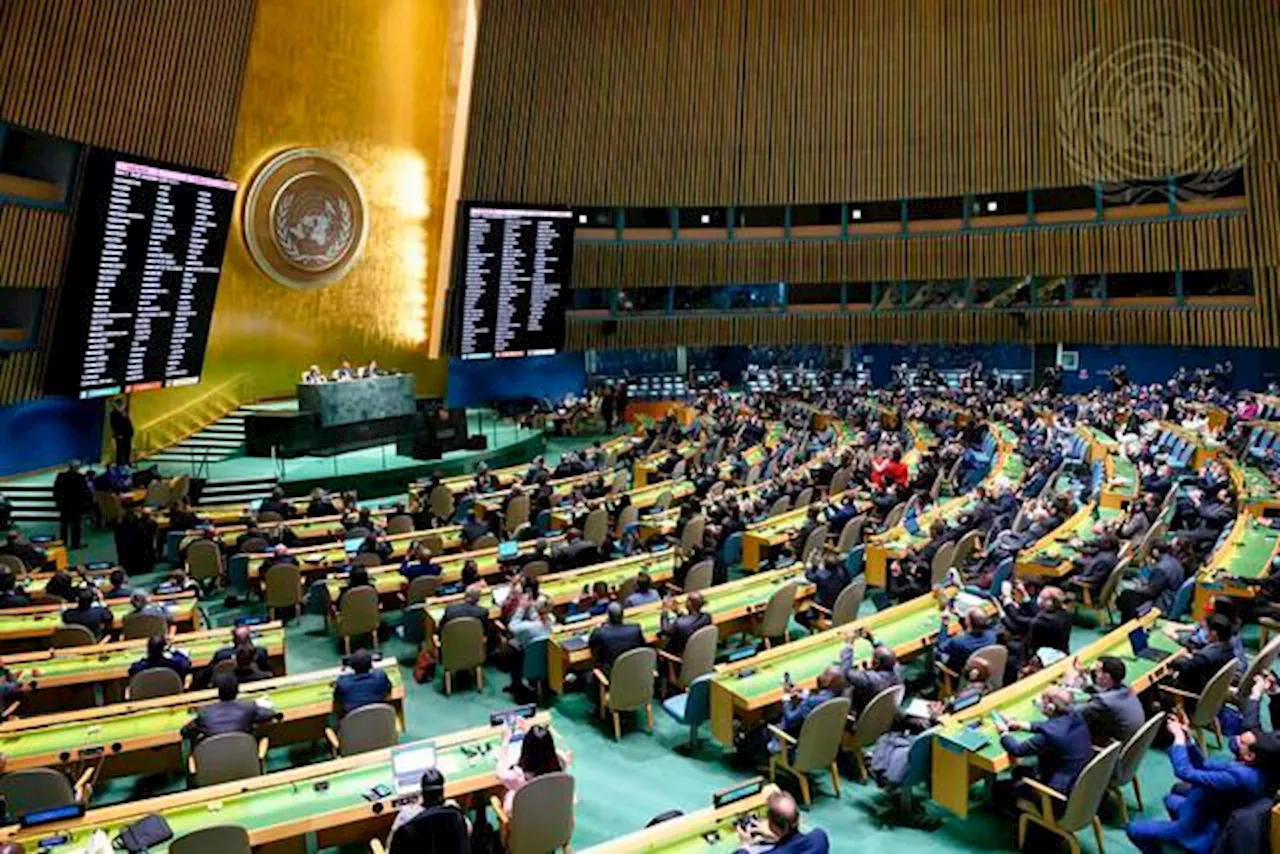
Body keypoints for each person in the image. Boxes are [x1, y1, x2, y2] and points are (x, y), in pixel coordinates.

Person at [1126, 713, 1280, 854]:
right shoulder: (1256, 768)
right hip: (1207, 809)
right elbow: (1205, 765)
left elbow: (1184, 772)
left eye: (1241, 741)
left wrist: (1178, 739)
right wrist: (1188, 740)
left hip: (1201, 822)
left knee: (1133, 829)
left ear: (1249, 755)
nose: (1236, 738)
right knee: (1169, 799)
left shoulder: (1240, 776)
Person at [995, 687, 1093, 796]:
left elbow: (1017, 750)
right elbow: (1051, 726)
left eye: (1043, 700)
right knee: (1019, 771)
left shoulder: (1050, 735)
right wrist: (1023, 725)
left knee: (999, 788)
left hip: (1056, 794)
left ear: (1051, 707)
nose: (1039, 702)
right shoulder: (1076, 716)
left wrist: (1003, 733)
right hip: (1079, 781)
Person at [494, 720, 572, 814]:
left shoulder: (518, 777)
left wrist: (505, 740)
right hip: (553, 819)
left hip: (523, 822)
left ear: (526, 749)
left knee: (504, 794)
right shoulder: (560, 764)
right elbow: (550, 751)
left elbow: (499, 773)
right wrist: (529, 733)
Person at [386, 767, 471, 854]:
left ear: (422, 793)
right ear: (442, 792)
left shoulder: (406, 816)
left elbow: (390, 847)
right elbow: (468, 830)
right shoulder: (454, 811)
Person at [1069, 655, 1146, 746]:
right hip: (1132, 744)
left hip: (1114, 747)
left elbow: (1074, 712)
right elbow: (1103, 692)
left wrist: (1066, 687)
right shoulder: (1125, 688)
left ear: (1107, 676)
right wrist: (1084, 680)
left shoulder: (1103, 702)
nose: (1093, 674)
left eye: (1097, 671)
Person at [180, 674, 280, 741]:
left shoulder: (204, 712)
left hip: (213, 762)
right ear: (237, 692)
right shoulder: (249, 707)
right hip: (244, 757)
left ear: (218, 693)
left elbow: (185, 731)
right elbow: (270, 713)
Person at [733, 790, 830, 854]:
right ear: (798, 818)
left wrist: (744, 845)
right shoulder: (820, 837)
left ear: (772, 826)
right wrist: (776, 838)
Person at [588, 602, 646, 674]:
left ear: (608, 616)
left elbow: (591, 645)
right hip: (636, 672)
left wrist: (598, 628)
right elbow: (643, 646)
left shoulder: (600, 632)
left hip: (613, 675)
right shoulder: (635, 629)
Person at [937, 606, 996, 675]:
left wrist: (944, 624)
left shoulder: (958, 642)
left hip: (963, 673)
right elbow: (974, 626)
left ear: (968, 622)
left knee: (937, 652)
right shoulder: (992, 635)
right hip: (984, 670)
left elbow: (942, 646)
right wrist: (959, 615)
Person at [333, 649, 393, 715]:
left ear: (352, 666)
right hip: (380, 721)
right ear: (371, 665)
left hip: (353, 724)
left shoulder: (343, 683)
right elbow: (388, 690)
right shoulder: (380, 676)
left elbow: (337, 701)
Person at [52, 461, 92, 551]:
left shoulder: (61, 476)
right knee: (76, 526)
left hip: (64, 504)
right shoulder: (80, 477)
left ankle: (63, 543)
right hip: (76, 505)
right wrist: (87, 504)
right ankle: (75, 544)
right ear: (77, 467)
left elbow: (56, 490)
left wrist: (57, 502)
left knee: (64, 525)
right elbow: (85, 492)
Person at [658, 591, 711, 656]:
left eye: (687, 601)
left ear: (689, 604)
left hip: (679, 655)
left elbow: (665, 630)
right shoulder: (707, 617)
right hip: (699, 652)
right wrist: (678, 612)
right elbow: (690, 623)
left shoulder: (679, 623)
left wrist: (664, 611)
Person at [109, 397, 134, 466]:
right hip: (120, 436)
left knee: (127, 450)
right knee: (120, 451)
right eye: (119, 405)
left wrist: (131, 432)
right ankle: (119, 465)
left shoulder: (125, 413)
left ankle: (127, 463)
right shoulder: (114, 414)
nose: (121, 407)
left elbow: (129, 424)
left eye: (122, 405)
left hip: (127, 435)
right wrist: (118, 434)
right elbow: (114, 425)